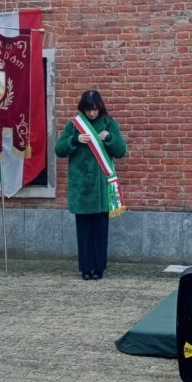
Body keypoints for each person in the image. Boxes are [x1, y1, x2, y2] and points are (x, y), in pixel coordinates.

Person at [55, 90, 127, 280]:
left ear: (100, 108)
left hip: (103, 189)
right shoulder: (74, 125)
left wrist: (109, 138)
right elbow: (59, 149)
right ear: (83, 109)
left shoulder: (109, 124)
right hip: (82, 188)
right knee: (84, 232)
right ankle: (86, 269)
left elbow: (121, 151)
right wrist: (74, 140)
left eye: (95, 110)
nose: (92, 114)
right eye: (89, 110)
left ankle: (99, 268)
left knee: (101, 231)